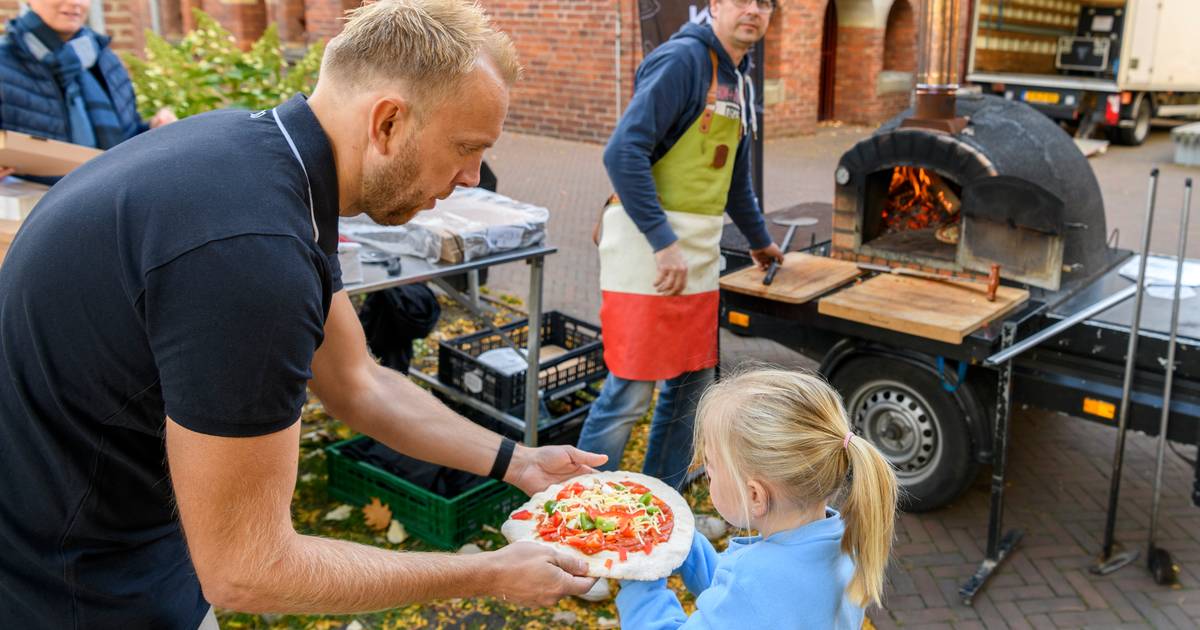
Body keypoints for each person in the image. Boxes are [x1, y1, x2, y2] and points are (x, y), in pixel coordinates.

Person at [0, 1, 605, 627]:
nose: (473, 177)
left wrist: (518, 461)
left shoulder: (267, 160)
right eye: (466, 147)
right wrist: (488, 573)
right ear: (388, 122)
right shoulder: (252, 255)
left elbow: (357, 381)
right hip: (77, 586)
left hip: (122, 529)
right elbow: (247, 570)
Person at [578, 0, 783, 495]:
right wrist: (663, 242)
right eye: (742, 0)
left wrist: (760, 242)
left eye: (765, 3)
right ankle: (582, 503)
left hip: (698, 256)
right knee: (629, 393)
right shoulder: (683, 60)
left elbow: (734, 181)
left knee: (691, 388)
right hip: (649, 254)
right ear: (715, 6)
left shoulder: (739, 80)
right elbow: (622, 152)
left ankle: (662, 500)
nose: (753, 10)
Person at [616, 369, 900, 628]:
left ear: (755, 495)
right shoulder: (842, 544)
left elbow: (746, 594)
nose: (707, 473)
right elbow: (742, 601)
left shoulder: (758, 581)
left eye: (711, 465)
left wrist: (640, 580)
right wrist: (681, 540)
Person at [0, 0, 176, 181]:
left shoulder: (106, 60)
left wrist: (154, 131)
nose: (75, 2)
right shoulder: (4, 62)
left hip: (109, 192)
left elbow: (125, 140)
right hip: (39, 198)